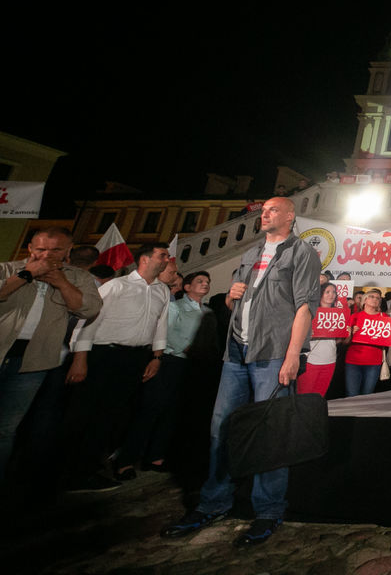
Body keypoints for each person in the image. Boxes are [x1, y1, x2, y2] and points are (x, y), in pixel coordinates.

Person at [161, 197, 319, 548]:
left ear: (290, 216)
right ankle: (213, 503)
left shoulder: (302, 253)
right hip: (236, 352)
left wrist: (294, 354)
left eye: (273, 210)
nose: (265, 214)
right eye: (263, 210)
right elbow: (238, 301)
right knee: (222, 429)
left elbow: (305, 306)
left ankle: (268, 510)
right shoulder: (251, 252)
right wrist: (232, 297)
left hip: (274, 353)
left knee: (271, 434)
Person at [65, 242, 172, 490]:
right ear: (144, 259)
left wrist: (156, 357)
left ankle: (89, 469)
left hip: (135, 359)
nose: (167, 259)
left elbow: (161, 325)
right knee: (84, 414)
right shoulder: (117, 285)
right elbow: (89, 320)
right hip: (103, 356)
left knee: (112, 416)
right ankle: (69, 471)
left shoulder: (162, 291)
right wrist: (80, 358)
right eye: (162, 255)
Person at [0, 227, 102, 484]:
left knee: (5, 428)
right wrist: (26, 274)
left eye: (55, 250)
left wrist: (61, 282)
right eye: (41, 249)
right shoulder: (7, 269)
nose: (47, 254)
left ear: (68, 251)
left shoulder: (77, 277)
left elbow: (88, 310)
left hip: (32, 362)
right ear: (30, 249)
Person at [115, 268, 214, 479]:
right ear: (187, 287)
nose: (205, 284)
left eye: (207, 281)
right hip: (170, 362)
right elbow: (165, 333)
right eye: (199, 280)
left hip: (192, 367)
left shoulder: (208, 312)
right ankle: (126, 460)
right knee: (150, 410)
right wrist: (189, 349)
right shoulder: (175, 307)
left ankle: (156, 456)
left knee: (172, 412)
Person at [296, 282, 339, 397]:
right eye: (327, 292)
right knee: (303, 396)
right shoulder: (310, 312)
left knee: (319, 396)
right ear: (320, 294)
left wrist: (346, 333)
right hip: (311, 360)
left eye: (334, 292)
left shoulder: (339, 314)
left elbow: (338, 341)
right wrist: (307, 334)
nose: (331, 295)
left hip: (330, 360)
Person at [345, 289, 387, 397]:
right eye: (372, 296)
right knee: (352, 395)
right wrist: (351, 334)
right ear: (365, 300)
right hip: (353, 361)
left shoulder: (385, 318)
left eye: (378, 298)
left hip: (374, 362)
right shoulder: (354, 316)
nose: (375, 299)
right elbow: (345, 342)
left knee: (367, 396)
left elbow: (386, 343)